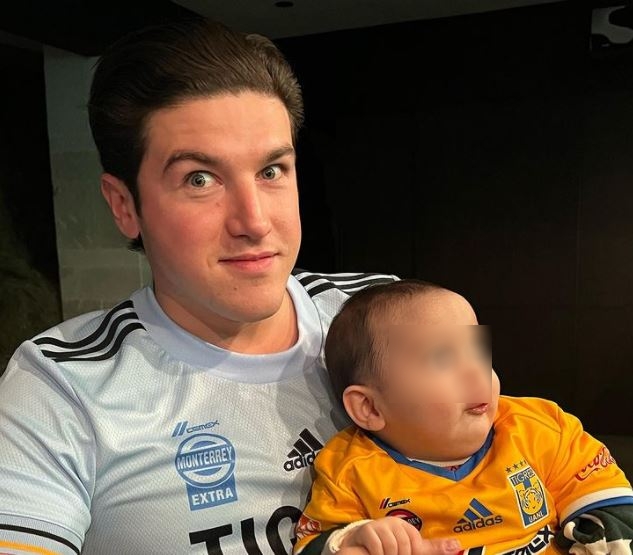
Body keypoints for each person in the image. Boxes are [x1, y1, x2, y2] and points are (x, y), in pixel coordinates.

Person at [0, 17, 464, 555]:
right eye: (200, 179)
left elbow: (518, 473)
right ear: (124, 205)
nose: (254, 221)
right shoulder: (61, 388)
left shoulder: (388, 312)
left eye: (272, 171)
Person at [293, 280, 633, 555]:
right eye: (443, 358)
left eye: (478, 352)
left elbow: (610, 503)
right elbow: (313, 543)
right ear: (370, 408)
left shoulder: (541, 428)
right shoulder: (349, 470)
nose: (475, 371)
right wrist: (353, 539)